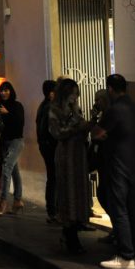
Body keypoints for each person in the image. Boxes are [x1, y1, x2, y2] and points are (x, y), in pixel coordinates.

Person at [93, 74, 135, 269]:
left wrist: (98, 129)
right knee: (132, 209)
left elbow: (97, 133)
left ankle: (125, 255)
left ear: (110, 89)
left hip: (118, 164)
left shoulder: (115, 110)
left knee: (119, 207)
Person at [48, 77, 91, 255]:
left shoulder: (76, 109)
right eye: (72, 94)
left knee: (78, 191)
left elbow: (80, 125)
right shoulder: (54, 110)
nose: (75, 97)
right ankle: (70, 234)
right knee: (68, 192)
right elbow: (57, 133)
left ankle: (74, 228)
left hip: (78, 155)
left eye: (76, 94)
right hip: (66, 156)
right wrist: (75, 126)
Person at [0, 81, 25, 216]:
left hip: (16, 141)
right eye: (2, 90)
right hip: (4, 142)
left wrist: (7, 114)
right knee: (14, 172)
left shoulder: (17, 106)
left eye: (6, 90)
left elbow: (20, 124)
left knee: (7, 168)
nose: (4, 93)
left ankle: (3, 201)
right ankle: (18, 200)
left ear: (11, 91)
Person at [35, 79, 59, 224]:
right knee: (54, 178)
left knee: (52, 177)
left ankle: (52, 210)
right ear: (51, 93)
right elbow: (48, 130)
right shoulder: (50, 107)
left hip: (46, 146)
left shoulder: (43, 106)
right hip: (50, 147)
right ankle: (53, 211)